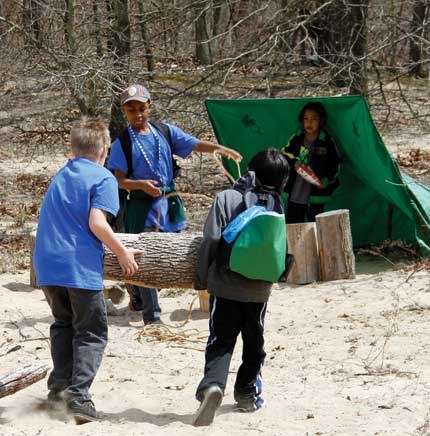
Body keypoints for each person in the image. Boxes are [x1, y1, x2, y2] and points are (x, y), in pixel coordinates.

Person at [33, 117, 141, 424]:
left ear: (71, 147)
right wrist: (121, 252)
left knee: (63, 324)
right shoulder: (103, 177)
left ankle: (57, 392)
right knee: (91, 332)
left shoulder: (61, 174)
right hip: (77, 267)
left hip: (47, 265)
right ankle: (79, 398)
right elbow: (96, 222)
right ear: (105, 151)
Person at [107, 84, 242, 325]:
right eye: (131, 110)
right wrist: (141, 185)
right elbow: (118, 180)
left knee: (176, 249)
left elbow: (194, 144)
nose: (138, 115)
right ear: (124, 112)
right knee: (145, 256)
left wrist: (220, 149)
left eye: (141, 108)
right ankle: (152, 316)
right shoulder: (123, 143)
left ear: (150, 106)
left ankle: (140, 295)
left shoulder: (164, 132)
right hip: (141, 206)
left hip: (168, 203)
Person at [192, 148, 290, 427]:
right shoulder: (277, 205)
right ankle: (247, 393)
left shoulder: (226, 198)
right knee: (254, 341)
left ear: (251, 171)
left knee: (221, 341)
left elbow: (211, 239)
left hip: (224, 286)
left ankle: (212, 386)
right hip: (260, 291)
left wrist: (201, 278)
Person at [281, 101, 340, 223]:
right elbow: (284, 154)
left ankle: (316, 243)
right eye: (306, 118)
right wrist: (295, 162)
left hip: (316, 193)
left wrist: (327, 179)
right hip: (296, 190)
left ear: (321, 121)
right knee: (293, 224)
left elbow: (335, 163)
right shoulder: (296, 138)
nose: (309, 122)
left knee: (315, 224)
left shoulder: (326, 141)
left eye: (314, 119)